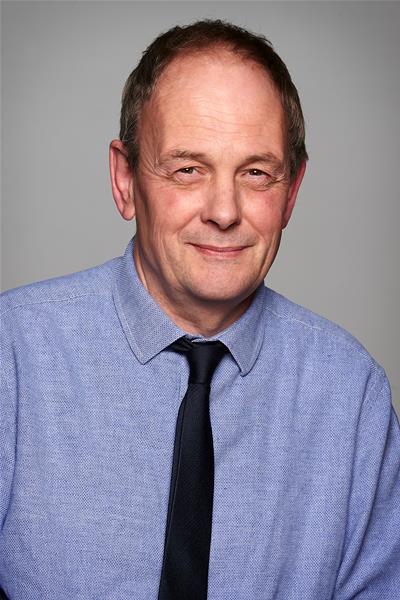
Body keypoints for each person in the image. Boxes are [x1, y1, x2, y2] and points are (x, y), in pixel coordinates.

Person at [0, 19, 399, 600]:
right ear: (125, 179)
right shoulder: (12, 355)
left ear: (291, 192)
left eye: (256, 173)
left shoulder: (352, 396)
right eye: (188, 169)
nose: (224, 211)